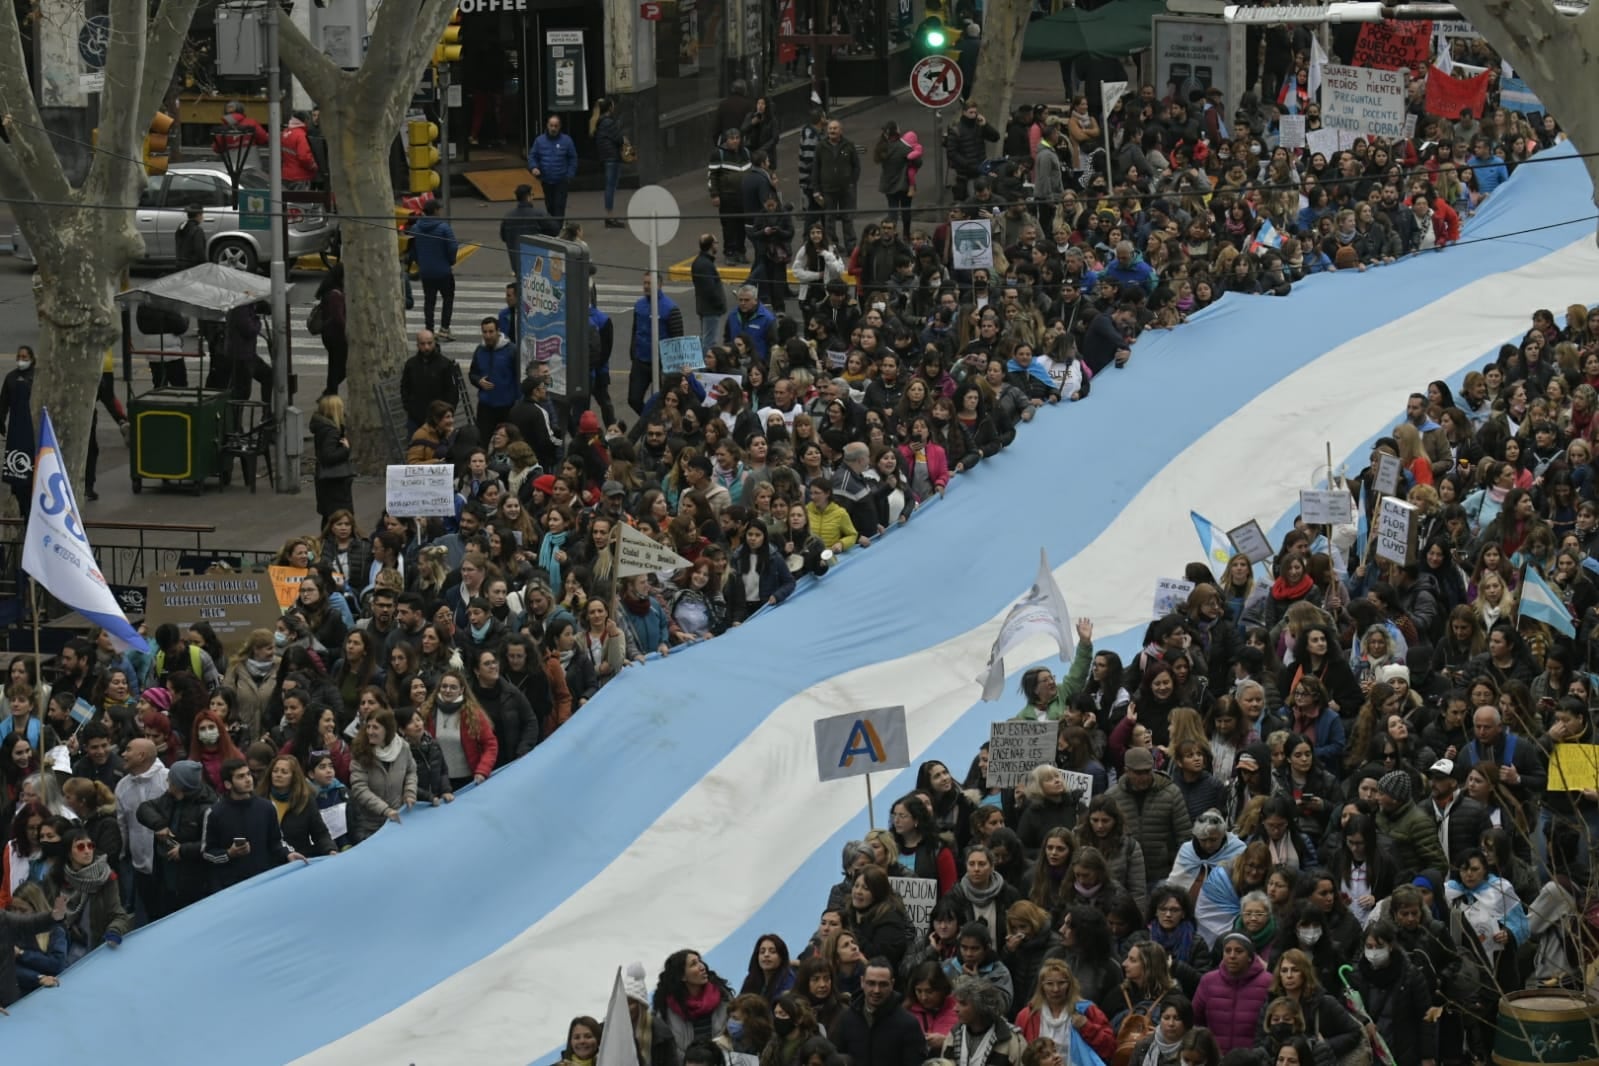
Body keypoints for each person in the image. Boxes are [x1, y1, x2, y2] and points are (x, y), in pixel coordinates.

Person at [202, 758, 308, 891]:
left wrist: (288, 854)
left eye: (248, 774)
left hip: (263, 881)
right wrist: (229, 853)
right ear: (228, 784)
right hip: (231, 887)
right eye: (241, 776)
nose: (248, 779)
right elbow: (207, 853)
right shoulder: (214, 813)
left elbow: (276, 842)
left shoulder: (267, 807)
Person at [830, 956, 926, 1066]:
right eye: (871, 983)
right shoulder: (846, 1019)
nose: (876, 990)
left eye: (883, 984)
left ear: (892, 984)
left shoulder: (908, 1024)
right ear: (862, 982)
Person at [629, 272, 686, 414]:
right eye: (645, 283)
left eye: (650, 283)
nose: (647, 286)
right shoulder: (639, 306)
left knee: (663, 401)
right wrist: (633, 352)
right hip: (641, 361)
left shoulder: (671, 308)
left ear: (660, 285)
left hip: (662, 364)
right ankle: (649, 421)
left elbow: (677, 338)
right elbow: (635, 330)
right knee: (633, 399)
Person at [410, 200, 460, 340]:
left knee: (429, 301)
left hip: (426, 272)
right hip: (443, 271)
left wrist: (420, 262)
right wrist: (450, 261)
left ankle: (429, 330)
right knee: (448, 298)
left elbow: (412, 249)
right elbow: (453, 247)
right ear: (436, 210)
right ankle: (444, 329)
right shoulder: (444, 228)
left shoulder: (415, 228)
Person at [708, 127, 753, 265]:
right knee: (729, 226)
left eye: (737, 138)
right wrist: (714, 195)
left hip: (744, 197)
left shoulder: (745, 152)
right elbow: (712, 176)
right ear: (726, 140)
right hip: (727, 197)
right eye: (732, 138)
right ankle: (730, 253)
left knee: (742, 226)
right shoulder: (718, 154)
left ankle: (741, 252)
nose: (735, 141)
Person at [400, 330, 460, 432]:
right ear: (417, 345)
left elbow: (452, 392)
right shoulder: (411, 365)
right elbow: (405, 387)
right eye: (422, 344)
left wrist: (445, 414)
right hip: (416, 419)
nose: (426, 347)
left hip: (439, 419)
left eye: (429, 343)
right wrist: (409, 408)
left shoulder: (445, 365)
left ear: (434, 343)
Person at [814, 119, 860, 250]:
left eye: (835, 128)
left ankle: (851, 246)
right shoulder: (820, 146)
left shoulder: (849, 145)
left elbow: (856, 167)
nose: (832, 131)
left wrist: (852, 183)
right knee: (829, 220)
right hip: (828, 190)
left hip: (846, 190)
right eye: (830, 129)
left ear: (841, 130)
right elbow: (816, 169)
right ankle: (832, 246)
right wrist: (816, 190)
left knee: (848, 218)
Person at [309, 393, 355, 524]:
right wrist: (345, 449)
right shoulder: (331, 431)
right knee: (339, 517)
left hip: (326, 480)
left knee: (329, 517)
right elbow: (328, 456)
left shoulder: (322, 428)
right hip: (335, 481)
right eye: (340, 408)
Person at [501, 183, 560, 276]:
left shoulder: (508, 217)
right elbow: (555, 230)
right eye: (532, 195)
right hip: (537, 262)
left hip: (517, 263)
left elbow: (504, 237)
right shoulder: (539, 214)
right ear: (528, 197)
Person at [470, 316, 518, 429]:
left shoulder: (511, 350)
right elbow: (472, 374)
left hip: (507, 407)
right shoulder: (479, 350)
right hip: (485, 407)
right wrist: (478, 381)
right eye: (485, 332)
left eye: (491, 332)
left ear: (498, 331)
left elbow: (519, 377)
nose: (487, 336)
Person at [528, 114, 578, 221]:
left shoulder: (567, 141)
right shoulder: (539, 141)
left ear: (559, 127)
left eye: (556, 126)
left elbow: (573, 158)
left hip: (561, 180)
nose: (553, 128)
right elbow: (532, 156)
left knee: (559, 206)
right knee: (550, 205)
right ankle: (552, 227)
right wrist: (534, 167)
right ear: (547, 126)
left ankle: (557, 229)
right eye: (551, 126)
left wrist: (569, 175)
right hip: (546, 179)